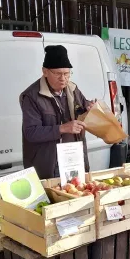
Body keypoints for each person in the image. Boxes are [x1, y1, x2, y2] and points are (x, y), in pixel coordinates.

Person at [20, 45, 95, 179]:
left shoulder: (72, 89)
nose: (63, 78)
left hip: (73, 158)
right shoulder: (32, 96)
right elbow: (31, 133)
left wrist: (90, 107)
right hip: (49, 164)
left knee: (76, 195)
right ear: (45, 71)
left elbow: (82, 107)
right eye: (58, 74)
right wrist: (62, 128)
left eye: (66, 73)